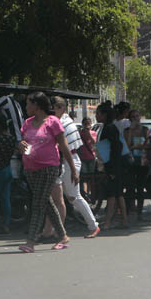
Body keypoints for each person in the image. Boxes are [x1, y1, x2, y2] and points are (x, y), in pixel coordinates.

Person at [17, 92, 75, 253]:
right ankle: (63, 236)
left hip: (49, 167)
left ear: (37, 106)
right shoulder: (27, 123)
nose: (26, 107)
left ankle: (31, 241)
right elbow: (27, 144)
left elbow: (63, 146)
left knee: (38, 203)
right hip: (30, 168)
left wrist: (73, 170)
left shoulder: (53, 122)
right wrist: (21, 146)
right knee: (46, 202)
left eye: (29, 104)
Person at [52, 97, 99, 238]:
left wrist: (72, 170)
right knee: (66, 197)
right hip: (67, 161)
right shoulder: (63, 122)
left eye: (54, 108)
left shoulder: (64, 124)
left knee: (73, 197)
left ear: (60, 108)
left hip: (69, 160)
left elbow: (67, 149)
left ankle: (93, 225)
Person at [95, 102, 129, 230]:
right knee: (118, 193)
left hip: (113, 166)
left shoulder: (109, 128)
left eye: (98, 113)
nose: (96, 116)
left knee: (112, 194)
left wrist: (111, 168)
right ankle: (124, 220)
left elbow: (115, 148)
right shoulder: (108, 127)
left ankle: (108, 222)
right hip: (115, 165)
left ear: (104, 115)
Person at [124, 109, 149, 216]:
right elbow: (127, 145)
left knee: (140, 186)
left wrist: (138, 146)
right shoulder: (127, 130)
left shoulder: (145, 129)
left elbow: (148, 144)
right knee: (130, 186)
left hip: (142, 161)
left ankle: (139, 210)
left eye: (137, 116)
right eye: (133, 117)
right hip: (131, 161)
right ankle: (130, 208)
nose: (135, 118)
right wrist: (130, 130)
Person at [79, 117, 97, 197]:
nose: (87, 125)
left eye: (88, 124)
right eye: (85, 124)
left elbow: (94, 143)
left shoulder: (93, 133)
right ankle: (85, 194)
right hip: (82, 158)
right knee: (84, 177)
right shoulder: (79, 133)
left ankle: (91, 193)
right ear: (82, 124)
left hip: (91, 157)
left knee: (91, 178)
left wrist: (89, 134)